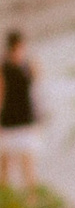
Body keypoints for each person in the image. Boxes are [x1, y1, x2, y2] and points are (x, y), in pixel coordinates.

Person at [0, 29, 35, 196]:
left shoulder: (27, 65)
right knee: (7, 165)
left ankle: (30, 198)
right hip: (11, 121)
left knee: (26, 163)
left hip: (23, 119)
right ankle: (6, 199)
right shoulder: (5, 68)